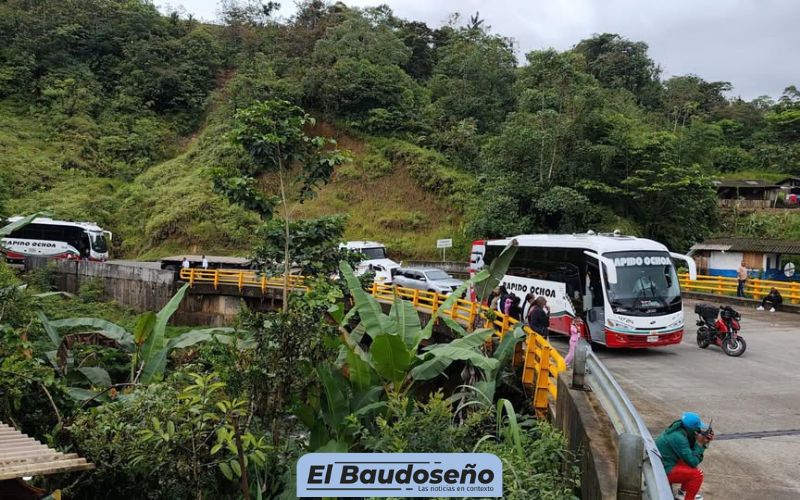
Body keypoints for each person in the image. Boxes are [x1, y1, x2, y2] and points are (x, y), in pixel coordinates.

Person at [655, 412, 713, 500]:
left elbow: (690, 453)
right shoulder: (679, 438)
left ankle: (682, 494)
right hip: (663, 471)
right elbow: (693, 461)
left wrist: (704, 442)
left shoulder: (677, 430)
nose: (699, 429)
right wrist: (701, 444)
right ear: (691, 428)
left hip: (660, 465)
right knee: (697, 474)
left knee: (688, 463)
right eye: (697, 427)